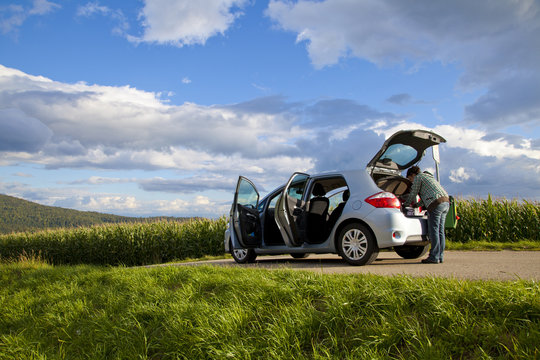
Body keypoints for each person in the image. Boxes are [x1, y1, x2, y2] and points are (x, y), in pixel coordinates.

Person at [404, 166, 449, 264]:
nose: (411, 181)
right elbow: (426, 197)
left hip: (436, 204)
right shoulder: (428, 177)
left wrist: (405, 204)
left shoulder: (418, 177)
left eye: (409, 179)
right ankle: (440, 256)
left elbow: (413, 193)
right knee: (440, 231)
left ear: (412, 175)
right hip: (445, 202)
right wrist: (416, 205)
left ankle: (433, 257)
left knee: (434, 231)